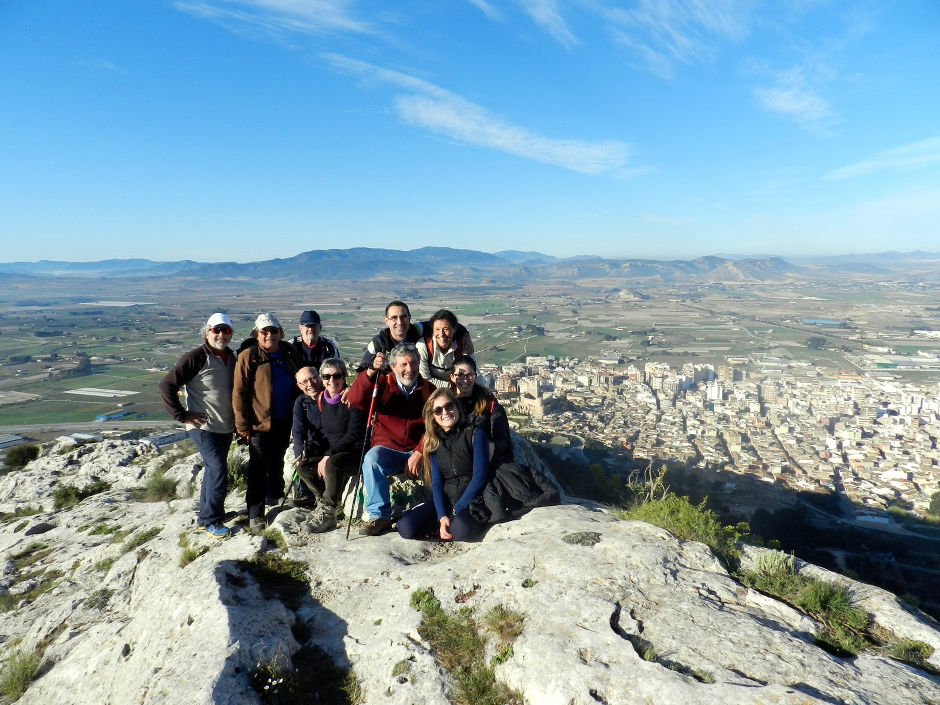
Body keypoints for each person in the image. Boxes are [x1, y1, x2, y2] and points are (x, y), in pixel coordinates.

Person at [159, 313, 236, 538]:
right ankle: (212, 521)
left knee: (214, 470)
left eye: (226, 330)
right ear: (207, 332)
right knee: (218, 469)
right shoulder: (196, 357)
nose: (221, 334)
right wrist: (181, 415)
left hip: (224, 426)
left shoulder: (231, 357)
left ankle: (207, 517)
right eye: (216, 330)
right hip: (203, 427)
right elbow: (167, 385)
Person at [347, 342, 433, 535]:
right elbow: (355, 399)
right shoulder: (382, 385)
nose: (409, 369)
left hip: (418, 450)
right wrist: (370, 372)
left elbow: (435, 427)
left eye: (413, 363)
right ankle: (380, 516)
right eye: (403, 365)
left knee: (440, 459)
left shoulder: (429, 390)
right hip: (387, 451)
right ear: (392, 367)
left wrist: (419, 451)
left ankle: (440, 512)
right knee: (371, 459)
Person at [232, 313, 299, 530]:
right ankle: (256, 512)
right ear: (257, 334)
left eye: (273, 330)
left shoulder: (288, 352)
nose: (269, 334)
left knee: (277, 460)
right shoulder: (248, 356)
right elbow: (239, 392)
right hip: (259, 422)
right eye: (264, 331)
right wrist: (242, 425)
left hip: (284, 420)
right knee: (258, 467)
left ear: (280, 333)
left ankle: (275, 494)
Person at [397, 388, 487, 542]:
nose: (445, 412)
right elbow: (437, 483)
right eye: (438, 410)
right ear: (433, 417)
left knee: (460, 532)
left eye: (449, 406)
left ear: (457, 407)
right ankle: (442, 525)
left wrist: (457, 509)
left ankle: (449, 525)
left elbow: (480, 477)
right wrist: (441, 515)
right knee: (405, 528)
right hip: (446, 499)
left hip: (471, 500)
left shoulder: (475, 434)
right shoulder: (434, 442)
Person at [291, 360, 365, 533]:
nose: (332, 380)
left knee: (332, 463)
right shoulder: (323, 400)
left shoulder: (351, 399)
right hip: (335, 450)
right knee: (304, 468)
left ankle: (328, 512)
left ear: (344, 376)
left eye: (337, 375)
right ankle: (323, 500)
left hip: (354, 451)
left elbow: (354, 435)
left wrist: (328, 455)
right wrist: (300, 453)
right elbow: (298, 430)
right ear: (323, 379)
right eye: (327, 376)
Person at [449, 355, 513, 469]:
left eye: (469, 375)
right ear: (452, 377)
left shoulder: (489, 402)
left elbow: (502, 441)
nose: (465, 380)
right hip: (455, 462)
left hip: (485, 459)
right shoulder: (445, 403)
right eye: (460, 375)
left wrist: (492, 446)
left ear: (475, 377)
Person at [418, 308, 475, 389]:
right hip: (433, 388)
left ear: (454, 330)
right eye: (437, 329)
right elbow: (425, 379)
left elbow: (472, 374)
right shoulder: (424, 346)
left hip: (460, 386)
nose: (441, 334)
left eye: (446, 329)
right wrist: (452, 387)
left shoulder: (463, 345)